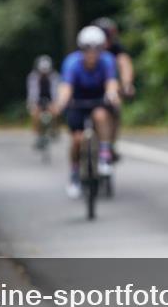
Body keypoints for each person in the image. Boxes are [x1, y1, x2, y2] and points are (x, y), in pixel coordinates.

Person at [52, 26, 121, 199]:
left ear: (101, 49)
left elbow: (111, 82)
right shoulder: (72, 62)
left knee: (101, 115)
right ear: (81, 49)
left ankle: (105, 155)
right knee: (77, 140)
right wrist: (61, 103)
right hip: (78, 100)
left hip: (99, 99)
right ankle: (74, 175)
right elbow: (66, 87)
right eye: (87, 50)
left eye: (96, 49)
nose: (91, 54)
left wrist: (112, 95)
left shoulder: (107, 60)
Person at [93, 17, 135, 160]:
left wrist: (127, 84)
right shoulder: (88, 48)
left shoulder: (116, 49)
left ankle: (110, 143)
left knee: (115, 106)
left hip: (110, 86)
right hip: (89, 86)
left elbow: (125, 64)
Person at [27, 55, 61, 149]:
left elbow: (56, 91)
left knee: (55, 112)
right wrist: (33, 104)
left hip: (50, 98)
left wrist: (55, 104)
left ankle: (54, 129)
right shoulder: (33, 77)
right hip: (38, 99)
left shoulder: (54, 76)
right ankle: (37, 135)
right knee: (35, 113)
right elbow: (32, 92)